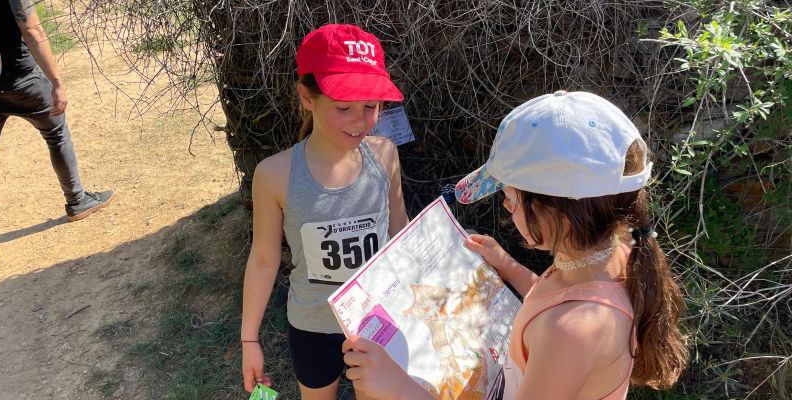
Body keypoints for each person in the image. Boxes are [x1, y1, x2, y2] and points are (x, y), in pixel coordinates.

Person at [342, 91, 689, 399]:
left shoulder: (572, 330)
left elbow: (561, 320)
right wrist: (507, 265)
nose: (506, 208)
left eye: (509, 197)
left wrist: (398, 387)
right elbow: (553, 294)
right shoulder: (606, 257)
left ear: (557, 212)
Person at [240, 24, 409, 399]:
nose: (360, 120)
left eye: (371, 106)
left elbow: (400, 232)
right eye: (344, 106)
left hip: (376, 322)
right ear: (306, 97)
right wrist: (249, 338)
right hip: (312, 326)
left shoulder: (384, 155)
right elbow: (265, 259)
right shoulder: (275, 174)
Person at [0, 0, 113, 221]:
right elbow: (32, 29)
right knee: (56, 134)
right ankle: (78, 200)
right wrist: (56, 82)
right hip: (24, 79)